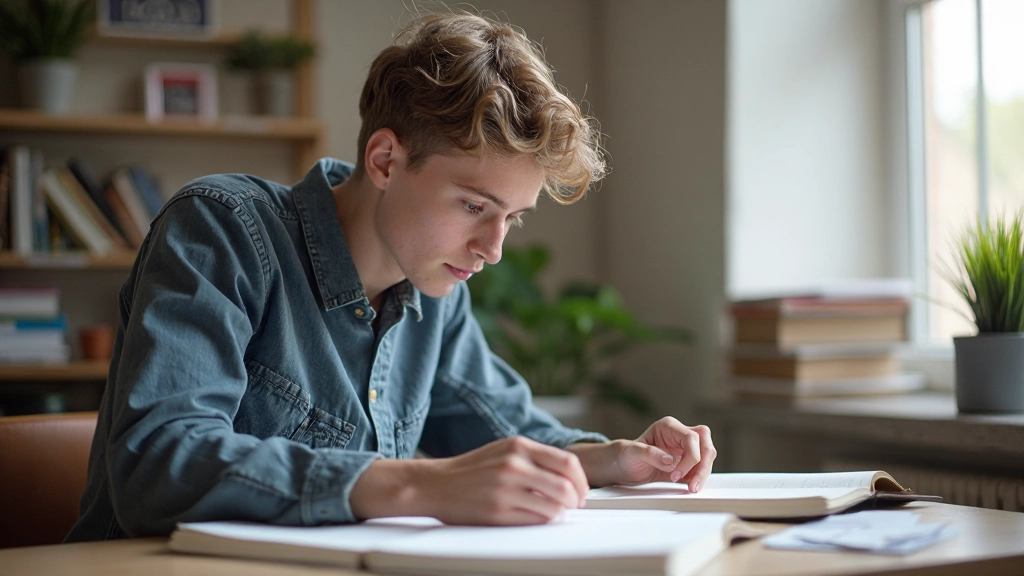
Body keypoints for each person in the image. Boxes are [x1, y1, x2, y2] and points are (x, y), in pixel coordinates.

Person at [66, 10, 715, 542]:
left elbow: (512, 435)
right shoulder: (223, 228)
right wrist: (419, 484)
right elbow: (158, 462)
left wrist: (620, 458)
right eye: (474, 207)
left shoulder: (435, 287)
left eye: (512, 218)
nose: (492, 249)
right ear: (384, 160)